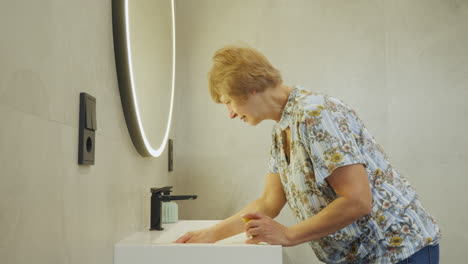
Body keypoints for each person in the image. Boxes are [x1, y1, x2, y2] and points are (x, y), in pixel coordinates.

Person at [174, 45, 441, 264]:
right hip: (361, 257)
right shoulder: (282, 130)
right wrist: (211, 234)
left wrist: (288, 235)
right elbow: (269, 202)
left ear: (249, 88)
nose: (231, 113)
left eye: (228, 101)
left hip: (395, 252)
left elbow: (358, 200)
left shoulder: (316, 114)